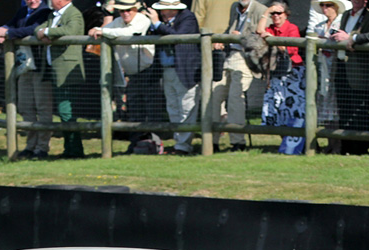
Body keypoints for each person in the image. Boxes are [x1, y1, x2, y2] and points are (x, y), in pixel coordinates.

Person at [89, 0, 156, 153]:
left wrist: (102, 31)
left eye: (129, 10)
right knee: (133, 110)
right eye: (121, 11)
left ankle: (151, 144)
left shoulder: (143, 20)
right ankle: (135, 144)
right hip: (130, 73)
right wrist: (96, 29)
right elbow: (103, 30)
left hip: (148, 71)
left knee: (149, 109)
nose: (125, 13)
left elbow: (129, 34)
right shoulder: (118, 21)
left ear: (136, 9)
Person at [0, 0, 52, 158]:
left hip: (40, 67)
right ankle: (31, 145)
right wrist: (2, 28)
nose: (31, 0)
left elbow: (33, 29)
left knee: (42, 107)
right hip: (24, 66)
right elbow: (11, 24)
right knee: (26, 107)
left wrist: (9, 34)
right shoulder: (22, 11)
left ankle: (42, 147)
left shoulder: (45, 12)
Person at [146, 0, 201, 154]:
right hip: (167, 70)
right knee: (173, 109)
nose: (161, 13)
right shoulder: (161, 23)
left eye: (163, 9)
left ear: (172, 9)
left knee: (186, 108)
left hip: (185, 71)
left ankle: (184, 147)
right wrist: (154, 25)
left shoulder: (188, 17)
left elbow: (177, 36)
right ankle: (179, 144)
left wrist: (157, 24)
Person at [212, 0, 267, 151]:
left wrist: (241, 36)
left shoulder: (262, 10)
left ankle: (238, 142)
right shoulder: (234, 7)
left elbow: (261, 40)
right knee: (214, 94)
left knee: (235, 97)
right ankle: (212, 141)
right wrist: (221, 40)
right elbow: (230, 30)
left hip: (245, 58)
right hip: (229, 56)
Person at [36, 0, 86, 158]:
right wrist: (43, 32)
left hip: (68, 71)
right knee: (64, 112)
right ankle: (70, 150)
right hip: (56, 70)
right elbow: (38, 28)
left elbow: (70, 29)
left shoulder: (74, 13)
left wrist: (47, 32)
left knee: (67, 112)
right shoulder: (53, 15)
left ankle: (75, 151)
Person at [328, 0, 369, 155]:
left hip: (359, 68)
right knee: (344, 108)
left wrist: (349, 37)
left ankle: (361, 148)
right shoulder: (345, 15)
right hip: (342, 65)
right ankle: (346, 147)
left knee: (359, 109)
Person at [258, 1, 306, 154]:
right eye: (273, 14)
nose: (276, 16)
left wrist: (273, 39)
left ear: (286, 14)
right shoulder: (270, 28)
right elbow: (259, 31)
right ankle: (285, 145)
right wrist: (266, 13)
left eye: (279, 13)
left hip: (293, 73)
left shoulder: (292, 28)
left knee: (294, 110)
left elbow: (291, 50)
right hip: (276, 73)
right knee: (277, 109)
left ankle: (298, 145)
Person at [314, 0, 345, 151]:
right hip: (322, 69)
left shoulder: (341, 24)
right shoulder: (319, 26)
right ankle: (330, 144)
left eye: (329, 5)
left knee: (335, 109)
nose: (325, 8)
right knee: (325, 107)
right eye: (323, 5)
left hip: (336, 69)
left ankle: (337, 144)